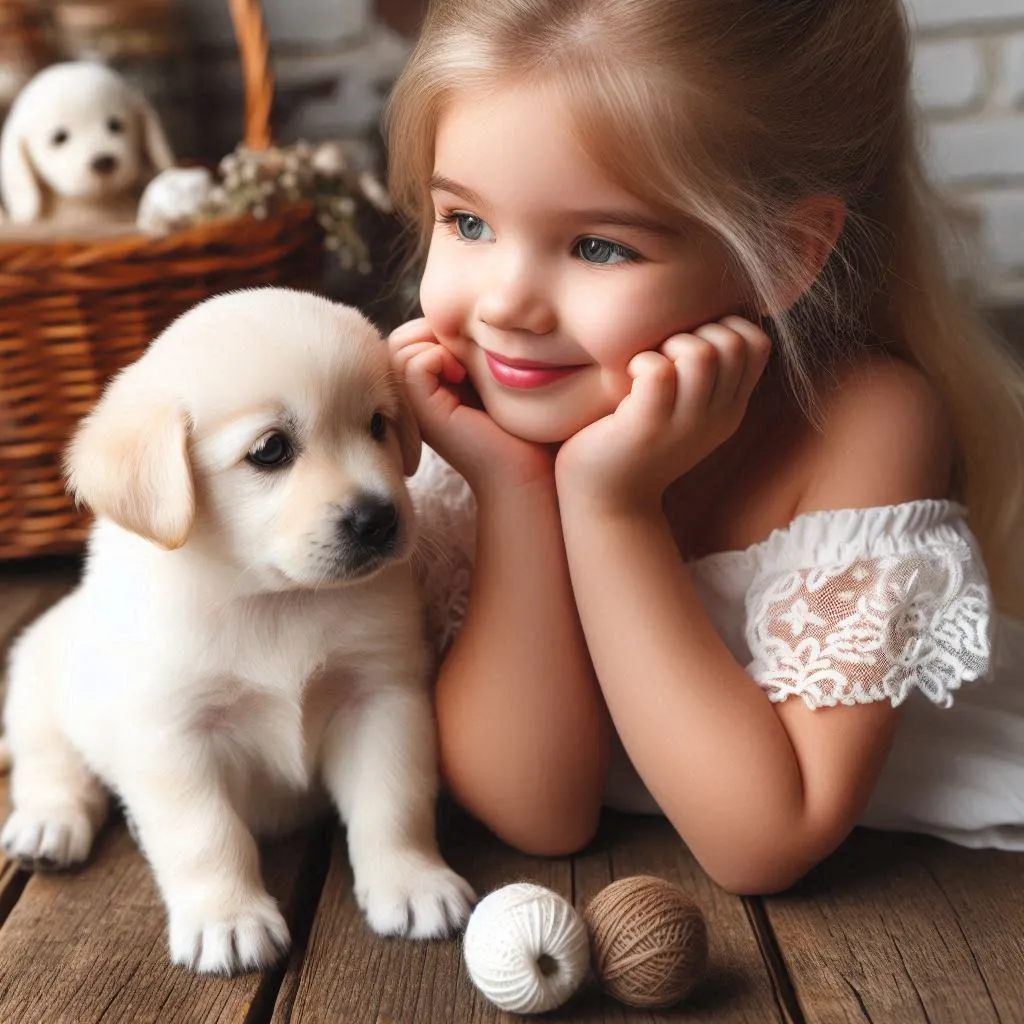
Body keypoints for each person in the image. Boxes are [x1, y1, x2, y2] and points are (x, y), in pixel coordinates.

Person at [385, 0, 1024, 895]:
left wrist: (613, 509)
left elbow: (764, 842)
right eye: (468, 223)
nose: (504, 307)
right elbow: (539, 814)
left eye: (599, 246)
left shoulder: (864, 420)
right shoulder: (478, 406)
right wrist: (515, 489)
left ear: (784, 257)